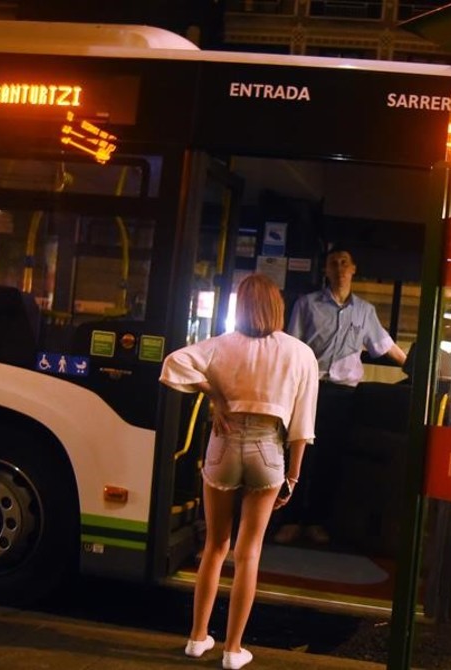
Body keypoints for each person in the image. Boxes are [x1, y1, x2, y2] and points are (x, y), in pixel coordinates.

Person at [159, 273, 319, 670]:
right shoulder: (299, 353)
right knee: (248, 554)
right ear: (277, 306)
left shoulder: (220, 346)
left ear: (240, 306)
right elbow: (302, 426)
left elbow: (172, 365)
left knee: (215, 547)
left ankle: (197, 639)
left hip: (224, 444)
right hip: (269, 449)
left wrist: (213, 394)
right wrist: (293, 477)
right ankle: (233, 650)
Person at [275, 249, 406, 545]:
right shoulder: (306, 305)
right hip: (309, 390)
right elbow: (292, 348)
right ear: (326, 270)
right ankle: (291, 519)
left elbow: (384, 345)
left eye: (345, 262)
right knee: (299, 456)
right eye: (334, 263)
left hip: (344, 396)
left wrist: (416, 367)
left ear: (354, 269)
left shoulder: (365, 311)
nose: (339, 268)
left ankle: (317, 522)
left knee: (330, 460)